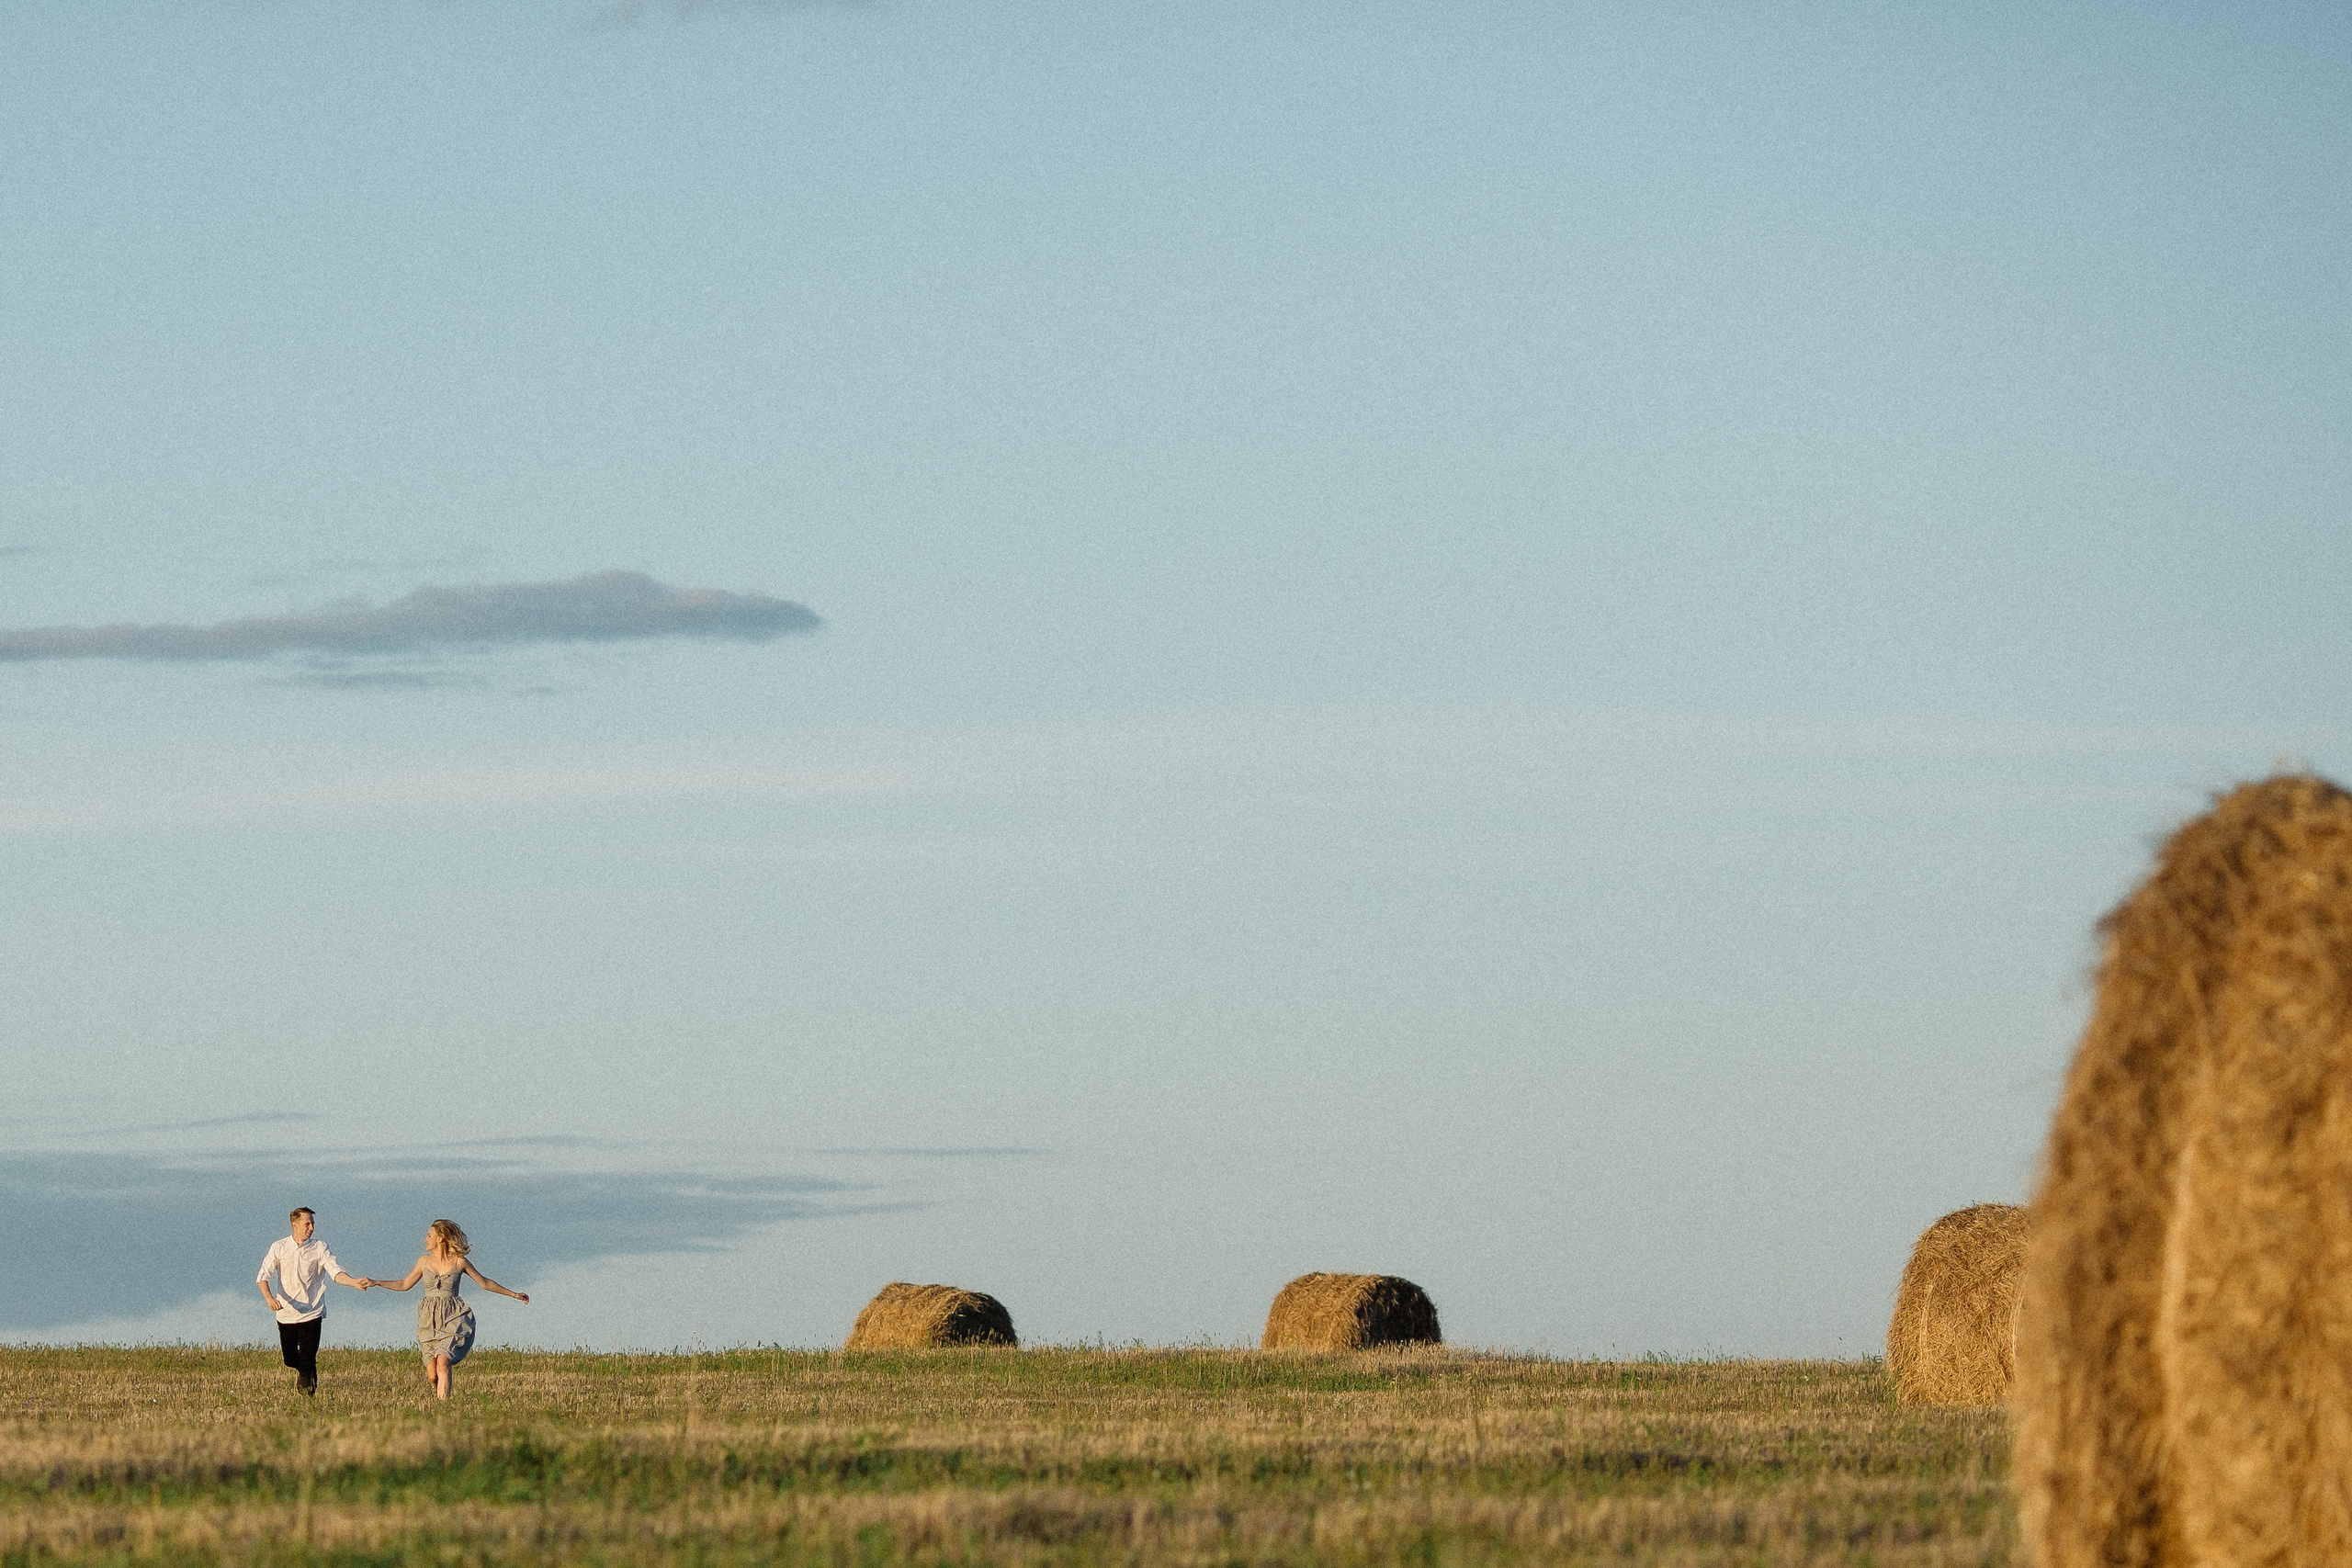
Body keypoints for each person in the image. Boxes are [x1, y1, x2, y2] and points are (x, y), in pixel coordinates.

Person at [365, 1219, 528, 1400]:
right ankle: (440, 1401)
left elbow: (485, 1283)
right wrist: (377, 1282)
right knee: (433, 1375)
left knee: (443, 1363)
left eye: (429, 1236)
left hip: (454, 1317)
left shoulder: (459, 1262)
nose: (425, 1239)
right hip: (429, 1321)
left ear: (441, 1238)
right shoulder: (424, 1261)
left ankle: (444, 1408)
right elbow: (405, 1284)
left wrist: (513, 1294)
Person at [255, 1206, 371, 1395]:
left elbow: (335, 1272)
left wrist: (353, 1282)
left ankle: (308, 1396)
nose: (311, 1227)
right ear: (295, 1225)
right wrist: (269, 1298)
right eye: (307, 1224)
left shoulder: (320, 1247)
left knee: (308, 1356)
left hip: (312, 1312)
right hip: (286, 1313)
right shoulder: (279, 1247)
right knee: (290, 1359)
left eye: (312, 1224)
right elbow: (263, 1276)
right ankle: (307, 1373)